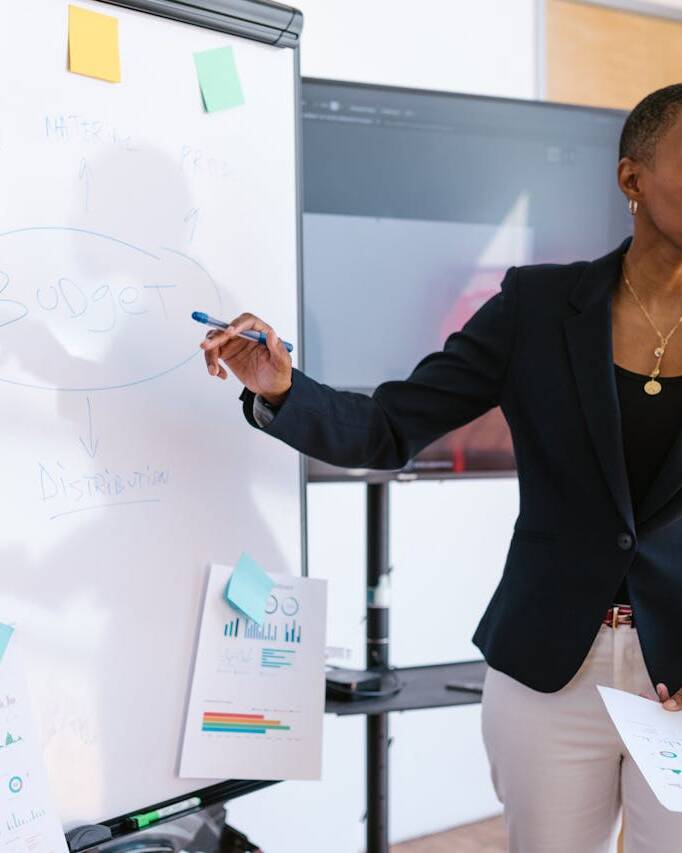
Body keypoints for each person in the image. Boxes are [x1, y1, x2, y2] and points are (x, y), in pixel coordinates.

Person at [199, 83, 682, 852]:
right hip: (549, 665)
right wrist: (284, 390)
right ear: (632, 178)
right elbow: (390, 426)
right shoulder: (538, 306)